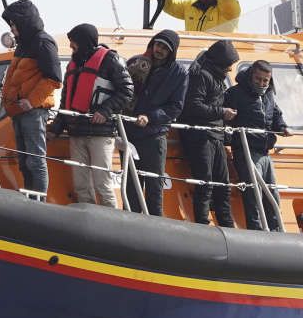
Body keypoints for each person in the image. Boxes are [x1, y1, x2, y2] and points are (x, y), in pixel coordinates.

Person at [51, 24, 133, 207]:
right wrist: (56, 128)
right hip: (76, 133)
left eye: (74, 43)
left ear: (84, 42)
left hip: (101, 134)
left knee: (102, 184)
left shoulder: (111, 60)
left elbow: (127, 91)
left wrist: (105, 110)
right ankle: (86, 223)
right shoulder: (73, 64)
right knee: (81, 185)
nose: (72, 47)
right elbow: (66, 99)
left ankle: (111, 224)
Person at [0, 0, 62, 196]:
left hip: (33, 111)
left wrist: (31, 101)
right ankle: (30, 198)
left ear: (23, 22)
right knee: (25, 160)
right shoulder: (23, 45)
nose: (12, 28)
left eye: (14, 23)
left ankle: (39, 202)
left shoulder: (43, 42)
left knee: (35, 159)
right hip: (19, 111)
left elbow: (53, 78)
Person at [178, 40, 240, 227]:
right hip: (201, 136)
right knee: (205, 182)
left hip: (215, 135)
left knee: (223, 183)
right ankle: (202, 223)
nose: (230, 69)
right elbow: (193, 106)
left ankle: (225, 222)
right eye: (229, 64)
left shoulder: (215, 77)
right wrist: (222, 112)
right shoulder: (202, 76)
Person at [127, 30, 188, 217]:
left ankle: (155, 224)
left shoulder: (179, 73)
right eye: (158, 44)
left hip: (154, 134)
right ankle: (128, 222)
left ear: (172, 52)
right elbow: (122, 91)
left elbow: (176, 107)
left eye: (164, 47)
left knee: (155, 185)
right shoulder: (136, 62)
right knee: (131, 184)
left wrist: (151, 117)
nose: (159, 50)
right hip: (130, 131)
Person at [225, 59, 290, 230]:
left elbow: (275, 113)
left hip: (264, 151)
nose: (261, 83)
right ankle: (256, 229)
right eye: (258, 79)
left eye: (265, 80)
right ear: (250, 77)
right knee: (254, 193)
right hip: (246, 150)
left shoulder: (268, 94)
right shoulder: (235, 93)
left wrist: (282, 127)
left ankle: (275, 228)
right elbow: (225, 119)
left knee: (272, 192)